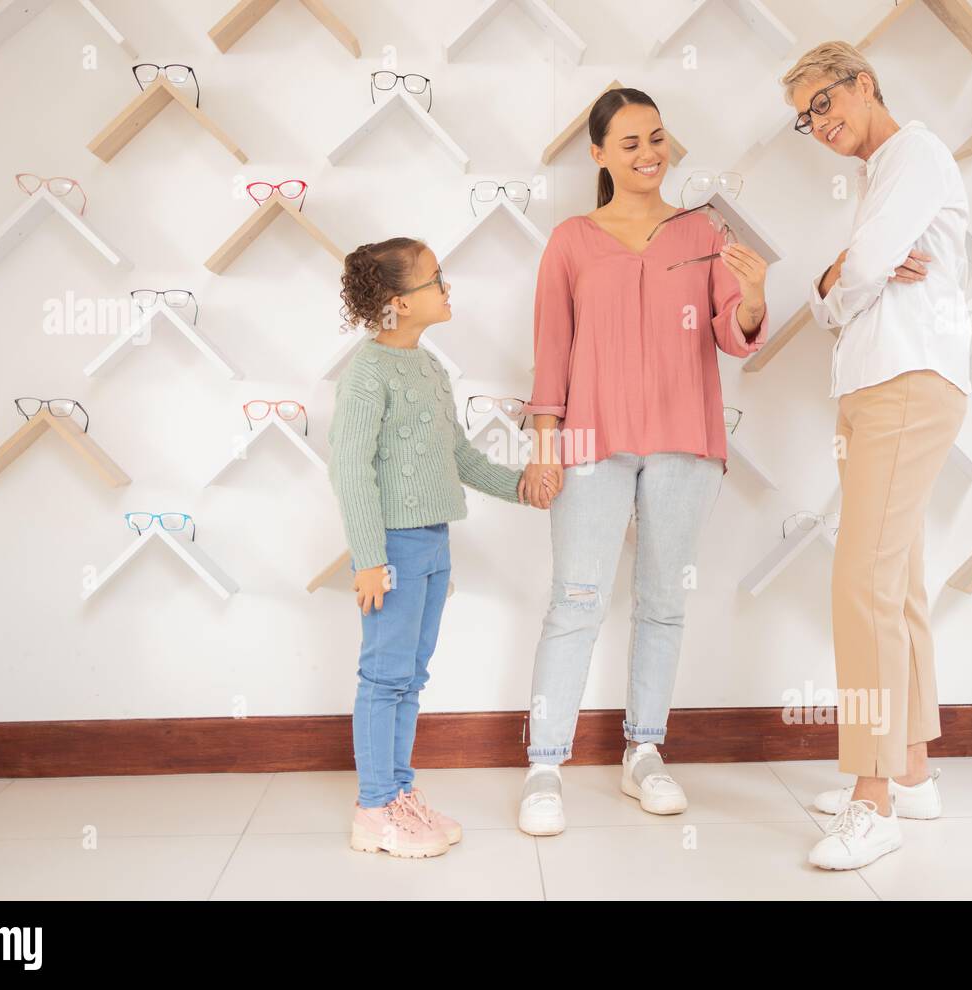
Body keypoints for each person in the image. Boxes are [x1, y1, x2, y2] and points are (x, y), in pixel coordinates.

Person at [516, 87, 771, 836]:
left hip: (685, 441)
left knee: (663, 601)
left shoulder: (703, 231)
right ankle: (544, 765)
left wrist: (752, 294)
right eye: (628, 144)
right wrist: (544, 452)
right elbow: (551, 355)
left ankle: (644, 753)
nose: (648, 154)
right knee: (576, 601)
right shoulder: (570, 240)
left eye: (656, 138)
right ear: (598, 156)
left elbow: (733, 333)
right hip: (590, 442)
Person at [782, 41, 972, 870]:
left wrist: (846, 277)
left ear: (864, 83)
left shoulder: (913, 154)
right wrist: (842, 279)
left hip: (905, 381)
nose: (818, 124)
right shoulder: (880, 176)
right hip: (874, 387)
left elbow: (852, 276)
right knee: (894, 586)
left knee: (862, 583)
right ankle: (912, 771)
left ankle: (871, 795)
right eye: (804, 117)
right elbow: (841, 288)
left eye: (825, 103)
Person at [330, 237, 553, 858]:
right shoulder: (367, 373)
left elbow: (457, 456)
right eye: (436, 280)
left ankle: (399, 792)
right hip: (392, 551)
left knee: (411, 676)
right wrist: (370, 559)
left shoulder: (428, 368)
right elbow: (350, 470)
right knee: (384, 676)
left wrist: (519, 487)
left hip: (432, 542)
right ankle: (374, 807)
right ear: (398, 302)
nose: (447, 287)